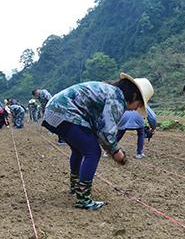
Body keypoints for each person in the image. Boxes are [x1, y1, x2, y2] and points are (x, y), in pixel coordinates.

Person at [41, 73, 154, 210]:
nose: (137, 108)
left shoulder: (110, 91)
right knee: (93, 152)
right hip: (65, 112)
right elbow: (106, 132)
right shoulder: (117, 99)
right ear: (135, 96)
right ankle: (83, 198)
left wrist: (111, 148)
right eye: (139, 104)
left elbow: (98, 128)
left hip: (53, 112)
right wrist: (116, 152)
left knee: (79, 149)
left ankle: (76, 187)